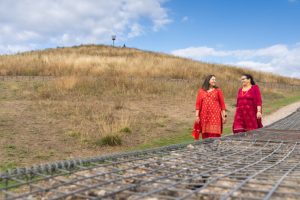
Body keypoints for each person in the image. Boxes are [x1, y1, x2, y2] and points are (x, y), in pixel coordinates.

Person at [192, 75, 226, 140]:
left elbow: (222, 104)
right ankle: (206, 149)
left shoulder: (218, 91)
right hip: (204, 116)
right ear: (208, 80)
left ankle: (215, 149)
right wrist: (197, 116)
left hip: (215, 116)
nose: (214, 81)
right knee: (205, 135)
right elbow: (198, 105)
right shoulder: (201, 91)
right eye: (213, 79)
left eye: (215, 80)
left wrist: (224, 116)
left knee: (215, 135)